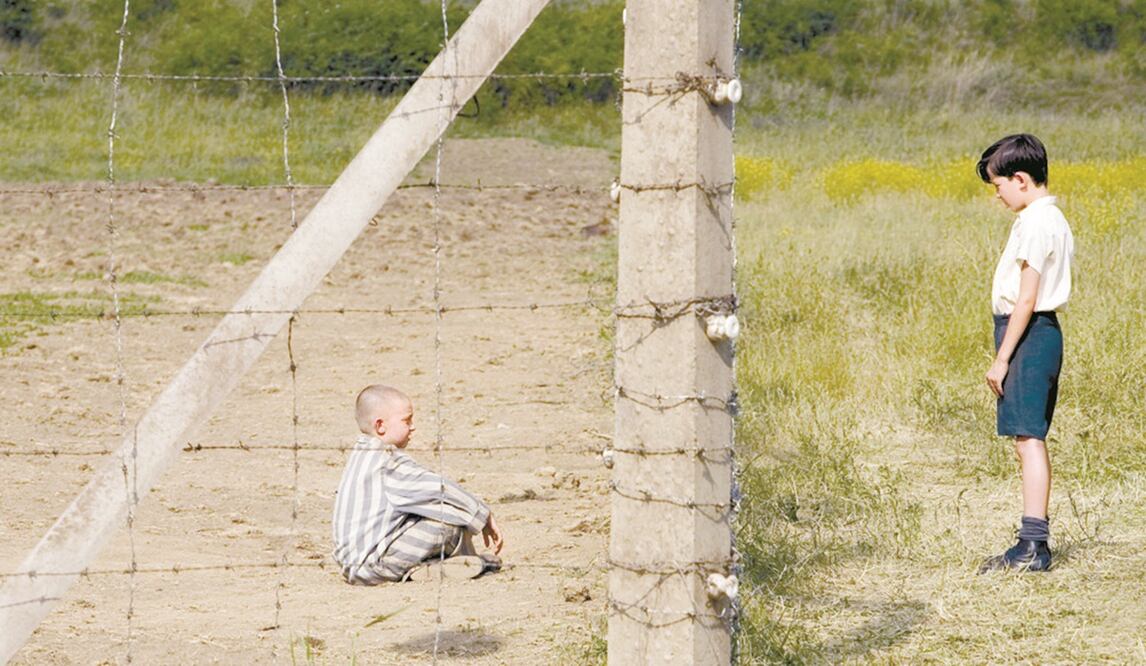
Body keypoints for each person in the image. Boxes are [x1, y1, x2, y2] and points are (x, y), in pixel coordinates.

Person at [975, 134, 1074, 573]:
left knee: (1028, 440)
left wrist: (1002, 358)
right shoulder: (1049, 217)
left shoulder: (1037, 222)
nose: (997, 195)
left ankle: (1033, 545)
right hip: (1034, 332)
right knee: (1026, 438)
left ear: (1020, 178)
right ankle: (1032, 542)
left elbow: (1027, 297)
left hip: (1029, 333)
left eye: (998, 185)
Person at [332, 384, 504, 584]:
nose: (413, 426)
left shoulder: (362, 455)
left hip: (352, 565)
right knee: (448, 521)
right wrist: (482, 513)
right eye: (407, 420)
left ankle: (427, 568)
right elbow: (437, 489)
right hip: (374, 565)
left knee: (424, 512)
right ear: (380, 426)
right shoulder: (388, 463)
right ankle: (465, 562)